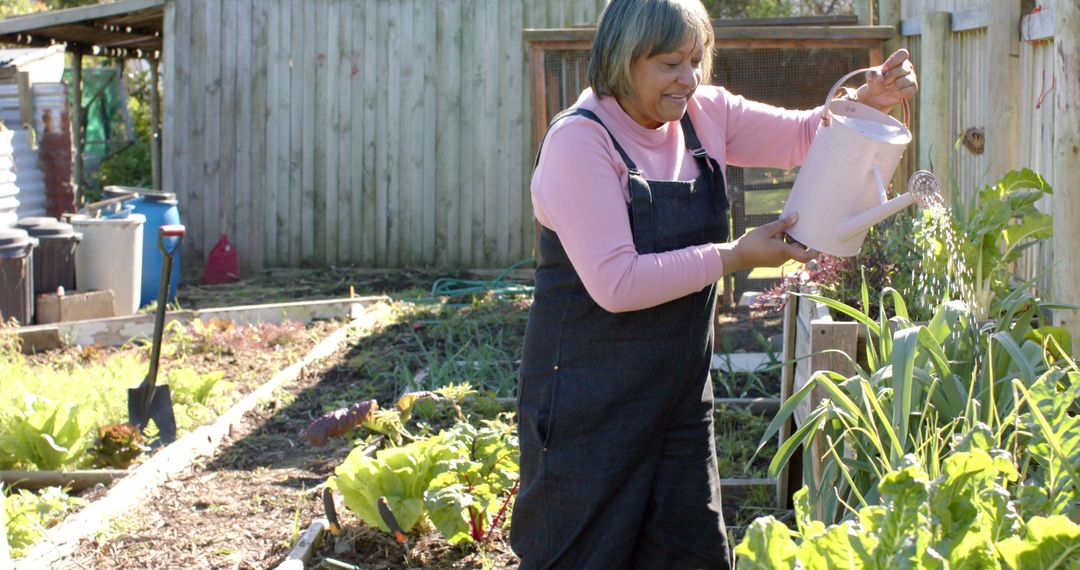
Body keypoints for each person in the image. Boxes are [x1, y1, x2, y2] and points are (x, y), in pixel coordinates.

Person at [510, 0, 918, 568]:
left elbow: (807, 135)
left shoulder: (705, 113)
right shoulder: (581, 142)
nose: (690, 78)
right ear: (623, 60)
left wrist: (863, 105)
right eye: (670, 64)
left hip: (678, 396)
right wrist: (735, 255)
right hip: (587, 406)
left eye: (697, 60)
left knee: (693, 554)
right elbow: (618, 283)